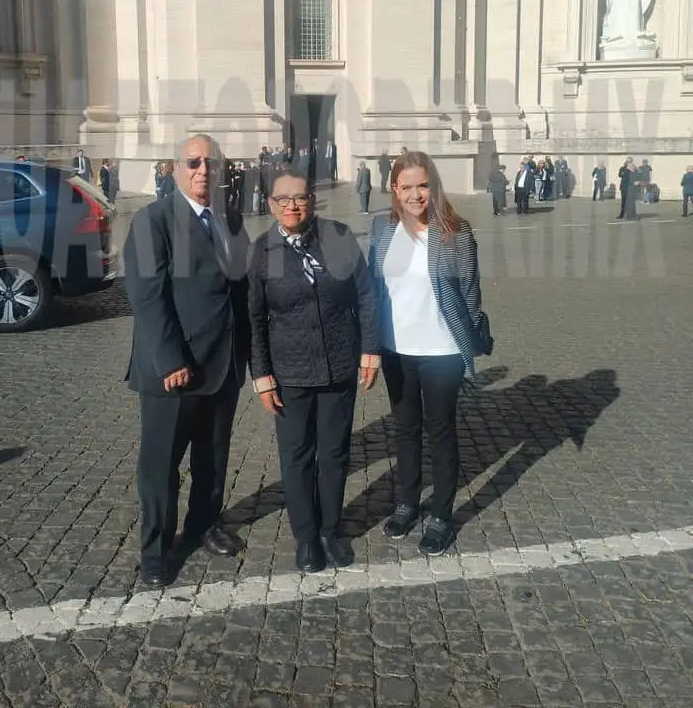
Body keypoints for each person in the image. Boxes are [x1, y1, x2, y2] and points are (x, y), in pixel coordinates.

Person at [122, 135, 251, 587]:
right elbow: (147, 295)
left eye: (211, 163)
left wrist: (250, 358)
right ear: (175, 168)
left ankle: (202, 525)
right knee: (161, 465)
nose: (202, 170)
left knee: (213, 457)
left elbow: (240, 290)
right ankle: (156, 549)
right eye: (193, 162)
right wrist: (170, 357)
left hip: (222, 365)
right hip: (173, 371)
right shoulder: (152, 220)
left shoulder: (230, 220)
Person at [248, 169, 380, 573]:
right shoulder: (260, 251)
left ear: (312, 201)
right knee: (297, 456)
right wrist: (262, 375)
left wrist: (370, 350)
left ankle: (329, 530)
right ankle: (306, 536)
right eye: (283, 199)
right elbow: (252, 318)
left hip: (339, 363)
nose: (292, 206)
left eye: (301, 198)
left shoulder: (338, 237)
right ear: (270, 203)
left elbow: (367, 294)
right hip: (289, 372)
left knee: (335, 453)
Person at [368, 151, 490, 556]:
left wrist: (466, 338)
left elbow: (471, 292)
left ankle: (441, 514)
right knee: (404, 430)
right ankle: (406, 503)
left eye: (423, 185)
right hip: (396, 350)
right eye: (407, 187)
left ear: (433, 186)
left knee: (440, 431)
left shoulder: (455, 231)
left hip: (441, 350)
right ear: (394, 189)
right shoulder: (382, 231)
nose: (416, 194)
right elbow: (374, 290)